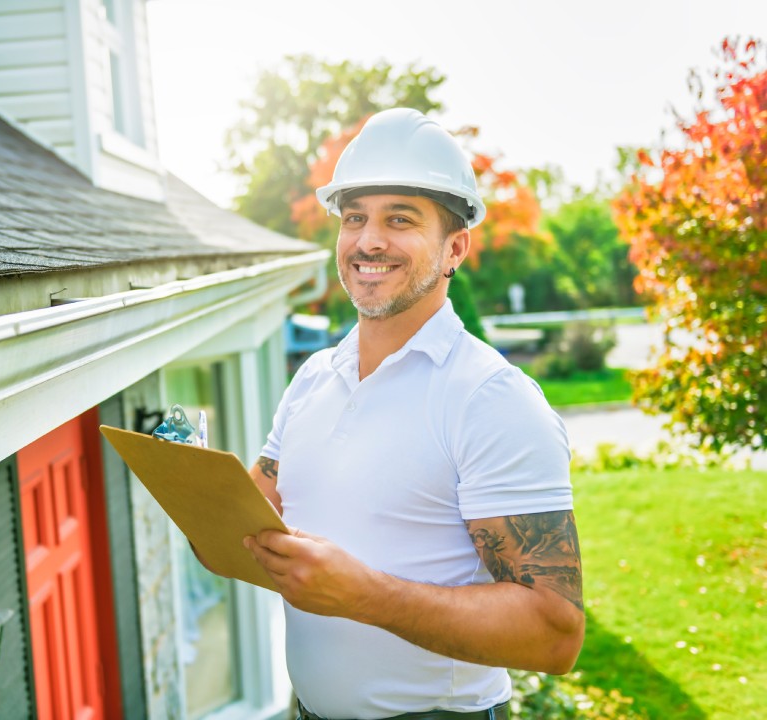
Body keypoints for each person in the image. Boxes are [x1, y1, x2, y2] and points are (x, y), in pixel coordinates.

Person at [241, 109, 584, 720]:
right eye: (355, 218)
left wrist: (366, 596)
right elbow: (258, 507)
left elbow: (554, 634)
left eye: (400, 219)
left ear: (455, 247)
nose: (369, 240)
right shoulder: (313, 379)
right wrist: (197, 495)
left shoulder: (490, 398)